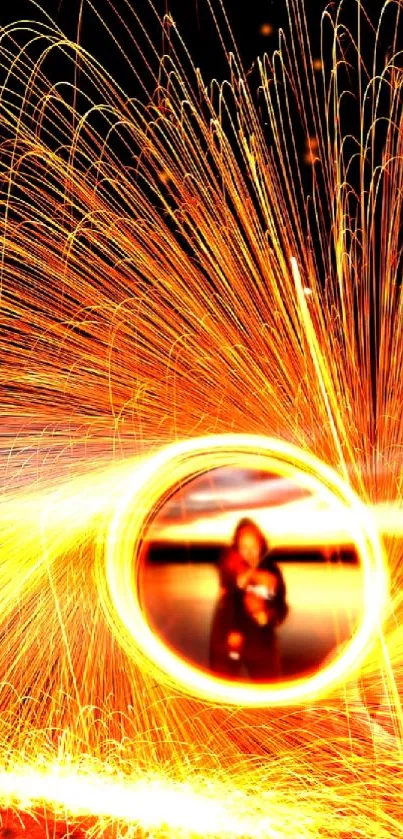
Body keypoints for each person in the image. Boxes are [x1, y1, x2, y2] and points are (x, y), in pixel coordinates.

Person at [209, 518, 288, 680]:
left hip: (261, 645)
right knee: (221, 690)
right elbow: (227, 571)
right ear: (236, 549)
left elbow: (282, 608)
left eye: (254, 546)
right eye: (244, 547)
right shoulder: (230, 567)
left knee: (268, 692)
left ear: (261, 545)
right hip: (229, 643)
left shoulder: (272, 570)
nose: (250, 552)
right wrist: (246, 576)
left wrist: (266, 615)